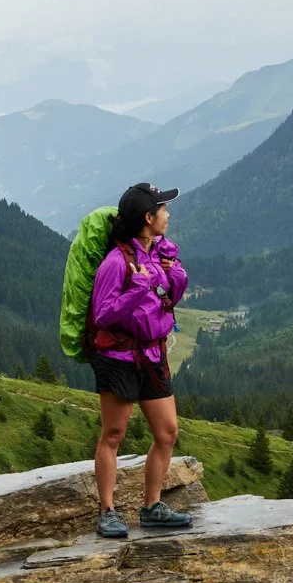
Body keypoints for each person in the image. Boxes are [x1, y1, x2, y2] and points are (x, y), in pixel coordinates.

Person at [87, 183, 193, 538]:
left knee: (167, 432)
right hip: (118, 357)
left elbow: (167, 298)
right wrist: (135, 290)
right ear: (148, 218)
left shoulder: (157, 256)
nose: (168, 214)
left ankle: (151, 507)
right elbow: (102, 315)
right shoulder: (116, 263)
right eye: (163, 209)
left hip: (152, 354)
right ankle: (107, 510)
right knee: (113, 434)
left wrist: (174, 272)